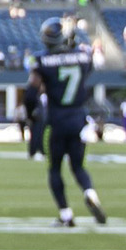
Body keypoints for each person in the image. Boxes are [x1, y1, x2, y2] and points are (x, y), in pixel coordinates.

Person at [28, 20, 106, 227]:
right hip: (79, 119)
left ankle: (66, 215)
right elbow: (85, 69)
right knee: (79, 166)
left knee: (55, 168)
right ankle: (90, 193)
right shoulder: (82, 57)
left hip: (57, 119)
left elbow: (31, 91)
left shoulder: (42, 60)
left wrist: (31, 113)